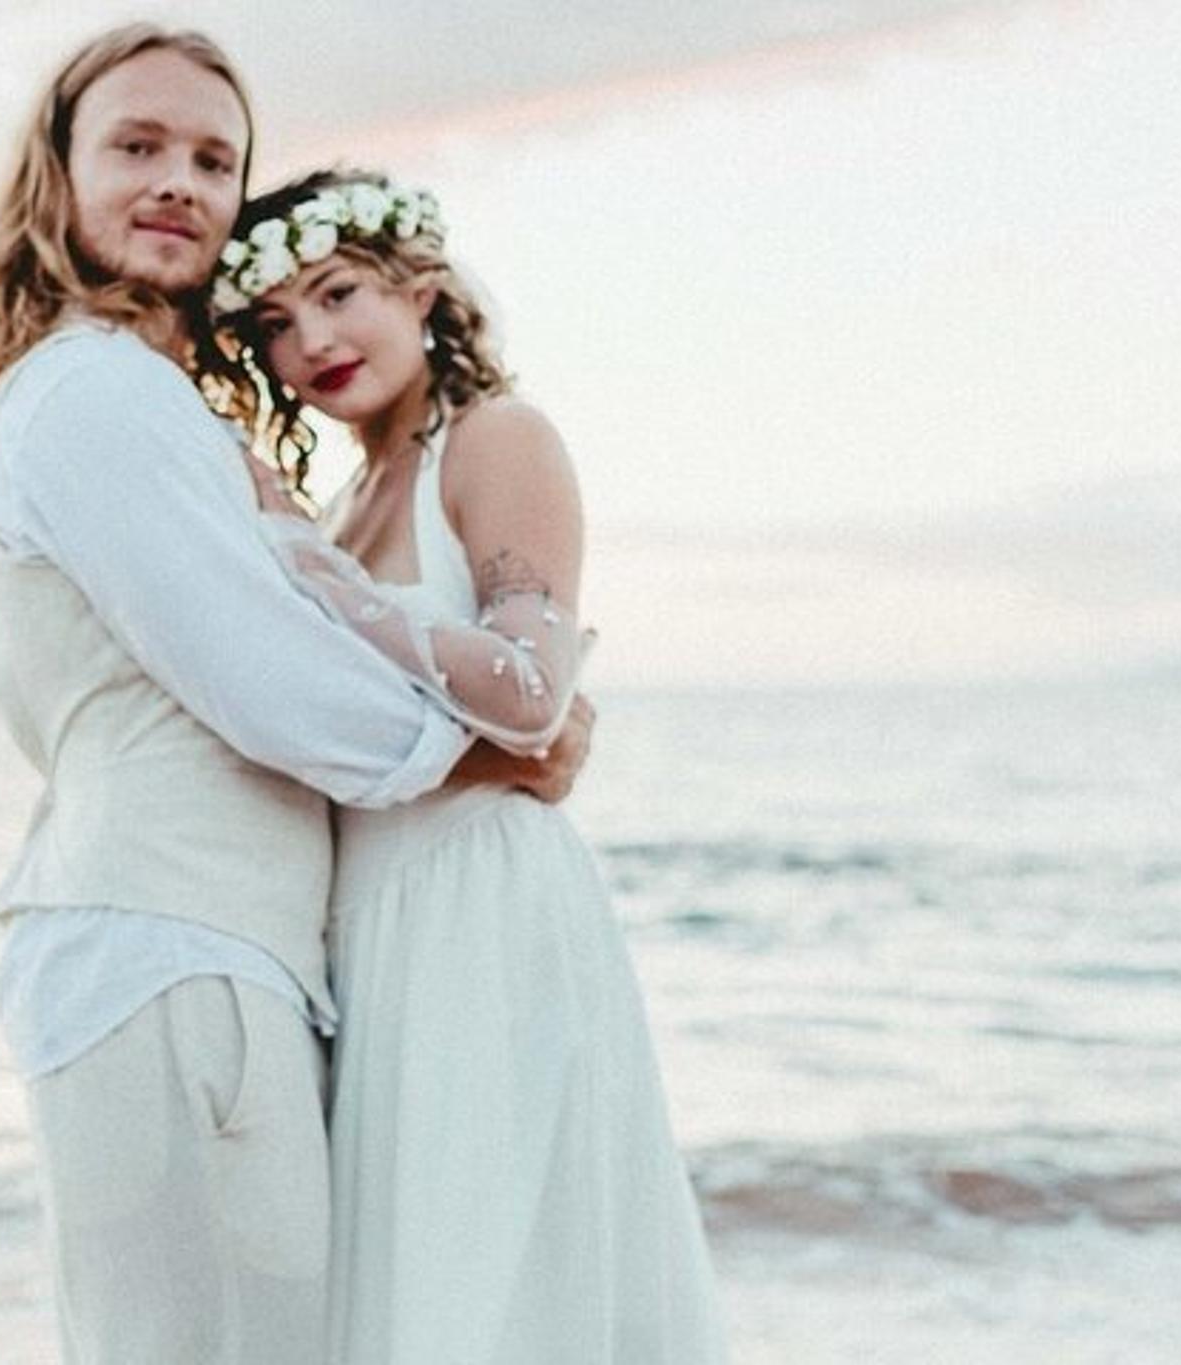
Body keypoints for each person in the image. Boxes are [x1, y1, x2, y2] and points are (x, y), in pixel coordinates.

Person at [0, 27, 590, 1365]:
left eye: (213, 158)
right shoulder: (99, 395)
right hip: (182, 951)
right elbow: (267, 682)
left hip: (195, 948)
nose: (179, 180)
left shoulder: (118, 395)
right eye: (137, 146)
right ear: (56, 177)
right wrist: (497, 762)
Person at [208, 168, 729, 1364]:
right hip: (369, 931)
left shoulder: (494, 440)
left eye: (336, 293)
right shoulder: (339, 505)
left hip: (485, 919)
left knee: (500, 1281)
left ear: (420, 287)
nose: (312, 340)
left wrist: (303, 563)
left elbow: (531, 696)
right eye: (274, 325)